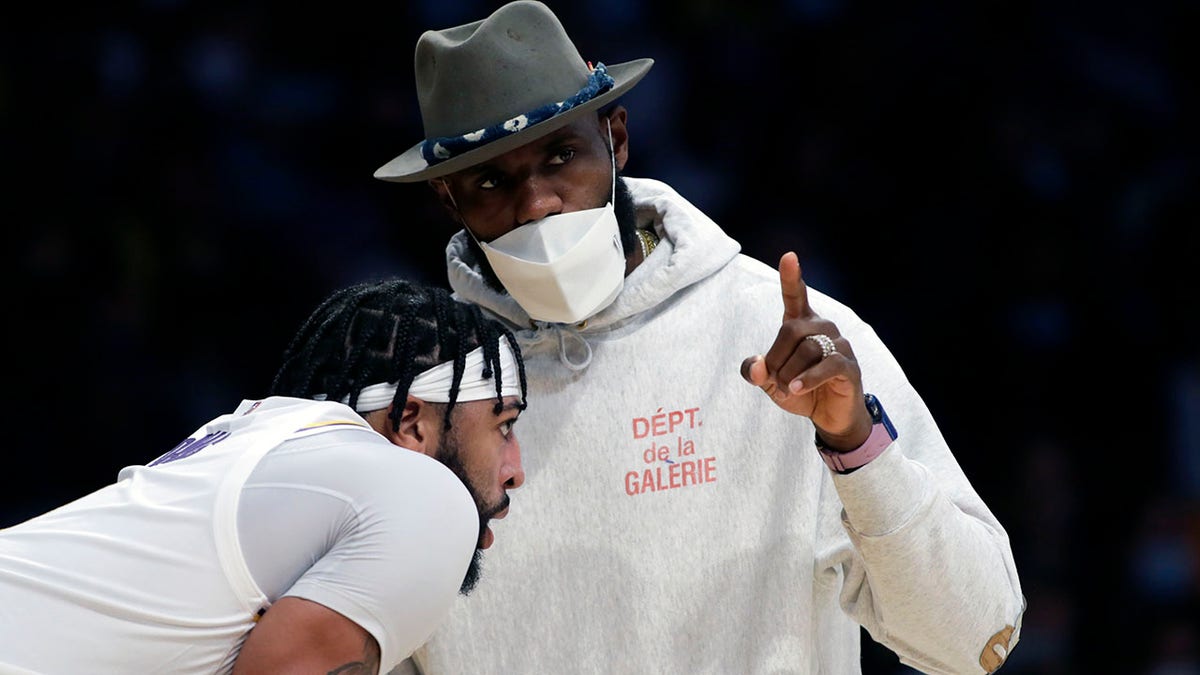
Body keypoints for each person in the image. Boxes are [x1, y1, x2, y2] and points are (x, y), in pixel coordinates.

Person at [371, 2, 1027, 674]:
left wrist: (857, 444)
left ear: (617, 137)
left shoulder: (786, 340)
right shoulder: (411, 396)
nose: (538, 203)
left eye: (561, 155)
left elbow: (977, 636)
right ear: (449, 199)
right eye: (490, 181)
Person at [0, 279, 528, 675]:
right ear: (410, 422)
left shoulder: (255, 429)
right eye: (503, 425)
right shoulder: (425, 495)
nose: (517, 470)